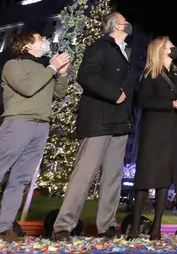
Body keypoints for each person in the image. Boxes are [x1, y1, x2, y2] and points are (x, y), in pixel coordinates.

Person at [0, 32, 70, 243]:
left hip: (41, 127)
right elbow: (28, 89)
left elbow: (58, 94)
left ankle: (2, 228)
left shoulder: (44, 69)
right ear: (28, 45)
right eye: (40, 38)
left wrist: (63, 74)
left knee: (20, 180)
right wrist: (52, 68)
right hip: (17, 124)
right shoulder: (13, 65)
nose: (45, 40)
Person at [53, 12, 137, 240]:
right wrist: (114, 94)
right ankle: (63, 226)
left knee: (112, 178)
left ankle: (107, 225)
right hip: (99, 121)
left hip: (120, 122)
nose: (129, 25)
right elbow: (86, 76)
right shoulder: (100, 47)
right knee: (84, 175)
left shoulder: (125, 52)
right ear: (116, 26)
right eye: (125, 21)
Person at [128, 37, 177, 239]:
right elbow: (143, 100)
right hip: (155, 129)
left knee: (165, 179)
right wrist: (169, 104)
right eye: (169, 45)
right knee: (146, 177)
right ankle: (136, 225)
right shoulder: (150, 74)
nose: (173, 48)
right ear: (160, 50)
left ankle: (156, 227)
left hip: (174, 128)